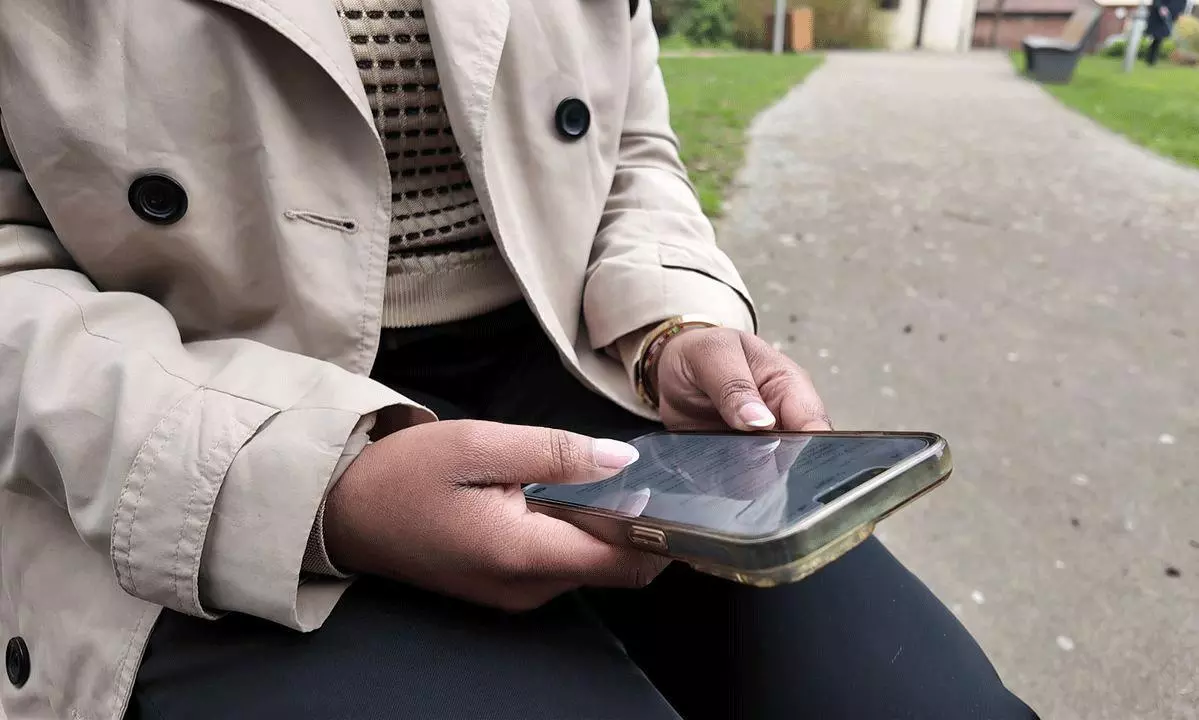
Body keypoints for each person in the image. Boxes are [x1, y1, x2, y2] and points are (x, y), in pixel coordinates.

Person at [0, 1, 1039, 718]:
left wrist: (670, 323)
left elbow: (632, 149)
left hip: (570, 372)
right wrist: (315, 489)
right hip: (189, 417)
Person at [1146, 0, 1187, 65]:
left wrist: (1180, 13)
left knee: (1159, 39)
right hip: (1159, 16)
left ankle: (1152, 58)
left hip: (1172, 15)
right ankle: (1151, 59)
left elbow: (1182, 3)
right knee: (1157, 38)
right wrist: (1161, 7)